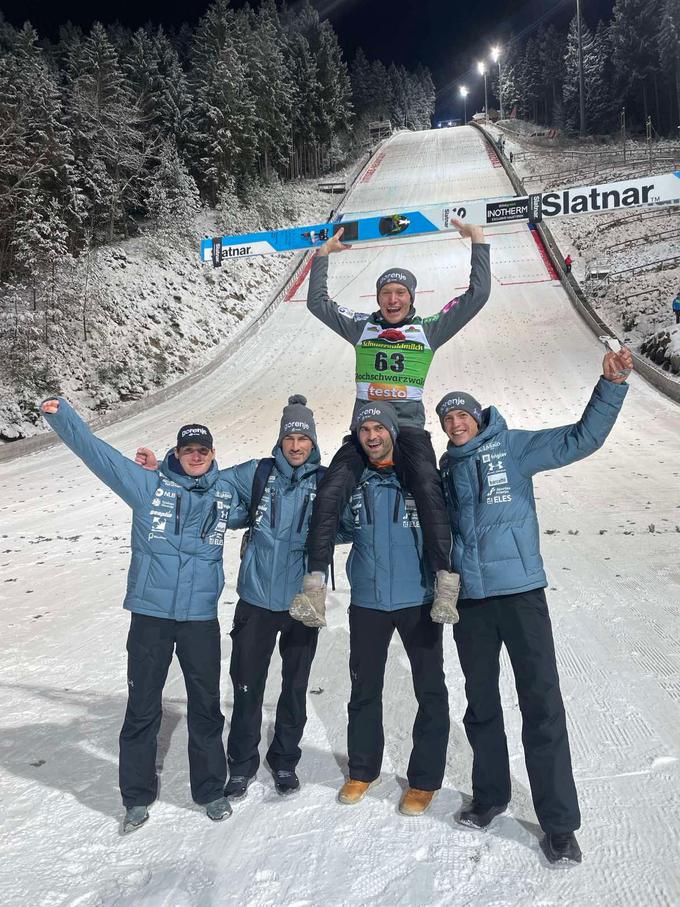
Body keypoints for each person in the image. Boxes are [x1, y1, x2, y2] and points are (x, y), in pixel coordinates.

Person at [436, 345, 633, 865]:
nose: (456, 423)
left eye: (463, 415)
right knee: (481, 708)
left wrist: (610, 387)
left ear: (478, 418)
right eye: (447, 417)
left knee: (542, 708)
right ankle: (491, 796)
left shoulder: (515, 448)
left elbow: (580, 439)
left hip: (521, 595)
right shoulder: (444, 471)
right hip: (472, 605)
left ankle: (560, 825)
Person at [41, 400, 246, 832]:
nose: (196, 456)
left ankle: (209, 790)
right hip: (150, 616)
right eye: (189, 449)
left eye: (203, 450)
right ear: (177, 452)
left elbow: (271, 495)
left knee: (207, 708)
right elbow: (98, 455)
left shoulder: (225, 493)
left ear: (212, 454)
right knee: (142, 708)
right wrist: (63, 418)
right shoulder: (148, 486)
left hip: (199, 620)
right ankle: (136, 797)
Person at [290, 219, 491, 629]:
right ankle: (313, 586)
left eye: (400, 293)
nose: (393, 299)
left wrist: (479, 242)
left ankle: (444, 582)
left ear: (411, 298)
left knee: (429, 492)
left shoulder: (429, 329)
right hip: (365, 431)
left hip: (410, 432)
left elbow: (477, 295)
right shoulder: (362, 327)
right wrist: (323, 257)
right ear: (378, 298)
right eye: (386, 293)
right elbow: (318, 304)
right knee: (330, 491)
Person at [136, 396, 327, 801]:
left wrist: (320, 543)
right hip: (255, 600)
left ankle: (285, 760)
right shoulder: (257, 473)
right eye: (290, 437)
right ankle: (240, 765)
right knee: (246, 686)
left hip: (302, 600)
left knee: (295, 686)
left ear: (312, 443)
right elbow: (205, 478)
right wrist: (161, 472)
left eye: (303, 438)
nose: (296, 445)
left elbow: (344, 522)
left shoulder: (325, 481)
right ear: (281, 440)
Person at [298, 401, 449, 817]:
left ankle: (423, 781)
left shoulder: (417, 481)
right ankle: (363, 770)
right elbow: (334, 525)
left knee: (430, 691)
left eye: (377, 428)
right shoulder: (356, 483)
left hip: (417, 599)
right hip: (367, 602)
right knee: (364, 690)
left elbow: (446, 519)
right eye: (363, 430)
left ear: (391, 432)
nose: (371, 436)